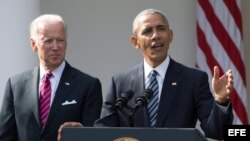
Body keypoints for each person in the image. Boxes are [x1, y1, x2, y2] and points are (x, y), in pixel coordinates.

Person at [93, 9, 233, 140]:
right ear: (135, 42)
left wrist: (220, 100)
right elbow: (104, 130)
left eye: (161, 29)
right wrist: (80, 129)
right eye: (147, 31)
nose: (156, 35)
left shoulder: (193, 79)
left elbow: (216, 132)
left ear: (170, 35)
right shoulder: (119, 82)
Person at [0, 14, 103, 141]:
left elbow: (93, 134)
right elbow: (5, 135)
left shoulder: (88, 85)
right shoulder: (15, 85)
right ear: (33, 44)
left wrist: (78, 132)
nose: (56, 47)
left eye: (60, 40)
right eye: (48, 41)